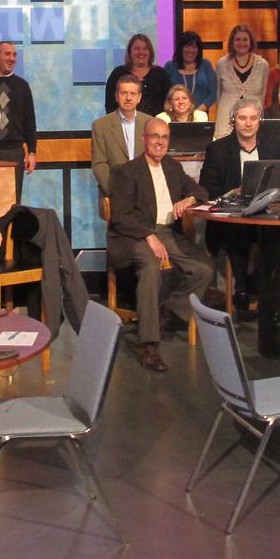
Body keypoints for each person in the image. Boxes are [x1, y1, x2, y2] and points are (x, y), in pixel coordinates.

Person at [105, 117, 212, 373]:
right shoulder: (126, 171)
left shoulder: (173, 168)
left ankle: (167, 311)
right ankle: (149, 346)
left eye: (164, 138)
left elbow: (202, 192)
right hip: (134, 235)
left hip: (167, 232)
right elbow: (120, 216)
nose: (160, 142)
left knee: (204, 268)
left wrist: (189, 199)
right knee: (151, 268)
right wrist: (148, 236)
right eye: (155, 136)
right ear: (144, 139)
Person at [199, 99, 280, 320]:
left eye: (253, 118)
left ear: (259, 121)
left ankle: (253, 285)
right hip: (231, 216)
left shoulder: (273, 146)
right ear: (233, 121)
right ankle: (243, 289)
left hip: (265, 213)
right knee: (239, 230)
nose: (248, 123)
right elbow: (207, 188)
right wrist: (233, 193)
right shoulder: (218, 149)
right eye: (242, 118)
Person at [0, 41, 37, 198]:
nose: (12, 58)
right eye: (7, 54)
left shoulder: (22, 86)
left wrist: (32, 152)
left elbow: (30, 120)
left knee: (13, 200)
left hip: (14, 152)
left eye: (14, 55)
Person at [90, 73, 149, 214]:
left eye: (133, 94)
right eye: (124, 93)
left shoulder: (150, 123)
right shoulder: (100, 125)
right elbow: (99, 164)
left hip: (146, 196)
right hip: (114, 196)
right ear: (116, 96)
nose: (128, 98)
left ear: (139, 97)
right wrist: (117, 192)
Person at [214, 24, 269, 138]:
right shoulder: (222, 64)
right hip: (225, 121)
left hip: (252, 120)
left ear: (251, 42)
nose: (242, 43)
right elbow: (218, 95)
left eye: (245, 39)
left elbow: (263, 95)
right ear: (232, 42)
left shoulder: (263, 65)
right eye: (238, 39)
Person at [104, 33, 169, 118]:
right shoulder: (118, 73)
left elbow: (169, 102)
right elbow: (110, 104)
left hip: (156, 123)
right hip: (123, 123)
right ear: (130, 52)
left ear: (150, 52)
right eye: (137, 49)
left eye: (145, 49)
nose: (141, 52)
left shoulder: (161, 74)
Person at [164, 30, 216, 114]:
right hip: (175, 116)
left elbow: (213, 94)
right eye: (187, 46)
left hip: (200, 116)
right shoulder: (170, 66)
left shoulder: (206, 64)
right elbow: (165, 95)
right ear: (180, 48)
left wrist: (196, 113)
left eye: (194, 47)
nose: (190, 50)